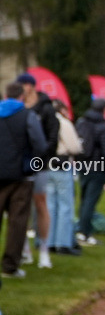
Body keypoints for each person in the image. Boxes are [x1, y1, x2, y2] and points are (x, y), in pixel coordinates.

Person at [1, 82, 47, 278]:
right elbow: (40, 144)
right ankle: (10, 266)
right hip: (21, 175)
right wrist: (33, 166)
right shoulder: (28, 115)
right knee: (18, 221)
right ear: (22, 96)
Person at [16, 73, 58, 266]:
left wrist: (39, 157)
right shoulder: (17, 107)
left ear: (31, 86)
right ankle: (24, 249)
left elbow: (52, 138)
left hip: (39, 163)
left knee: (40, 204)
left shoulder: (46, 109)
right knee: (19, 207)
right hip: (19, 164)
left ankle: (44, 249)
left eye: (23, 84)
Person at [47, 99, 83, 258]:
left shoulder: (42, 120)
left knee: (49, 205)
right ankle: (62, 242)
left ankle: (48, 241)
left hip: (46, 164)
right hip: (61, 164)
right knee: (65, 205)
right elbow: (74, 146)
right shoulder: (63, 122)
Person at [75, 97, 105, 246]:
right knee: (91, 201)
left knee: (85, 199)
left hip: (83, 166)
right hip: (97, 168)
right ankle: (85, 233)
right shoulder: (102, 127)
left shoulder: (82, 123)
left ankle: (81, 229)